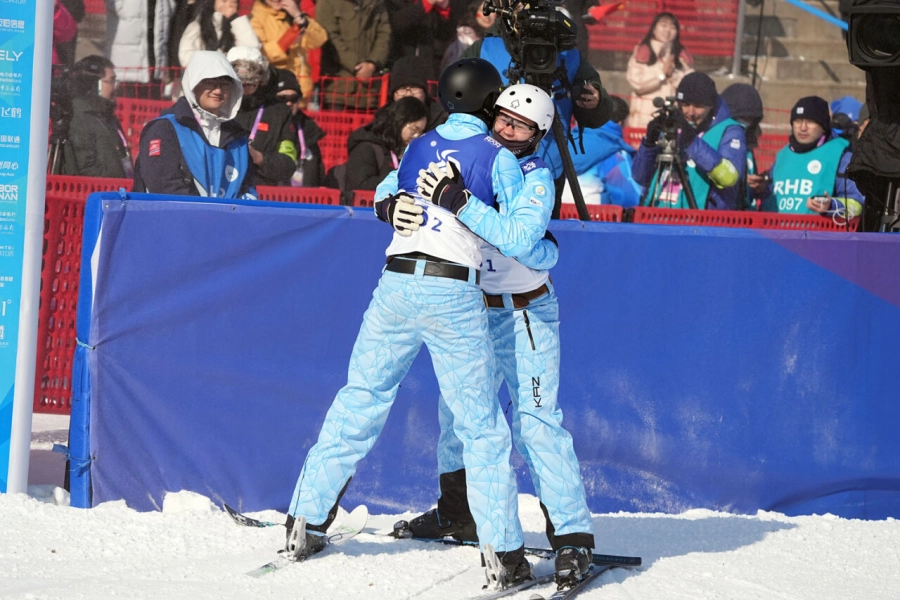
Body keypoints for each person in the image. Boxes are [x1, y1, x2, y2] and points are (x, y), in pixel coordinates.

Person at [285, 59, 543, 589]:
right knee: (481, 427)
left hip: (395, 282)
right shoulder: (499, 157)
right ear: (490, 101)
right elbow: (518, 239)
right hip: (451, 289)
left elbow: (384, 195)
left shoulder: (419, 144)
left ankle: (303, 520)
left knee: (361, 396)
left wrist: (391, 208)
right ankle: (504, 554)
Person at [391, 83, 597, 589]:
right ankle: (457, 511)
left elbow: (522, 241)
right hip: (473, 308)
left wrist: (459, 202)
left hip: (524, 312)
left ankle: (571, 538)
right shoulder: (473, 156)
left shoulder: (535, 174)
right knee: (457, 416)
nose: (506, 129)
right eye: (501, 117)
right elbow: (398, 181)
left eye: (520, 125)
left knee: (537, 422)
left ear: (538, 134)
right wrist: (387, 202)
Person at [462, 8, 613, 212]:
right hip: (487, 163)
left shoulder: (568, 55)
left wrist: (595, 101)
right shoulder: (484, 49)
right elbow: (457, 99)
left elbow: (598, 113)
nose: (524, 11)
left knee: (543, 235)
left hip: (547, 163)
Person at [132, 50, 257, 199]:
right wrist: (205, 217)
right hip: (174, 220)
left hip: (225, 221)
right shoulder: (165, 128)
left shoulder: (237, 137)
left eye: (224, 84)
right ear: (193, 83)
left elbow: (247, 189)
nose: (218, 90)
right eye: (210, 82)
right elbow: (163, 185)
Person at [633, 71, 745, 210]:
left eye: (698, 106)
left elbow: (730, 178)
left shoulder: (730, 130)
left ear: (711, 106)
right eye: (685, 104)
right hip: (659, 216)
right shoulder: (674, 124)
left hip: (700, 222)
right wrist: (649, 144)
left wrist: (692, 142)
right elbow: (640, 177)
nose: (690, 112)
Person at [749, 96, 865, 219]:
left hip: (817, 235)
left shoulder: (840, 154)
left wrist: (831, 206)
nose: (803, 128)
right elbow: (775, 196)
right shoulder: (783, 154)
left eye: (810, 122)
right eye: (798, 121)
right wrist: (761, 189)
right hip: (774, 234)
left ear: (823, 126)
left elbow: (857, 204)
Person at [228, 47, 298, 186]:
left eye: (250, 84)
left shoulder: (278, 112)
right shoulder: (215, 107)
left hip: (260, 191)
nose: (243, 89)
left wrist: (260, 158)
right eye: (239, 83)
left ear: (262, 80)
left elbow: (288, 163)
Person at [58, 56, 134, 179]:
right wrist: (114, 182)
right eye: (111, 81)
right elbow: (86, 169)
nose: (115, 86)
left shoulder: (106, 116)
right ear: (95, 85)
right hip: (101, 193)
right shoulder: (79, 119)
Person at [561, 95, 641, 207]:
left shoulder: (564, 143)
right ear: (620, 123)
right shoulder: (615, 154)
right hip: (594, 219)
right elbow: (629, 198)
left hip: (556, 217)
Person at [250, 0, 328, 108]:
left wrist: (298, 16)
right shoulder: (256, 18)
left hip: (301, 90)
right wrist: (289, 38)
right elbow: (261, 54)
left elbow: (319, 39)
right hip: (276, 92)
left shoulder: (294, 14)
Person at [316, 0, 391, 111]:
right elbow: (330, 40)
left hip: (369, 92)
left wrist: (372, 64)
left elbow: (384, 36)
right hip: (337, 91)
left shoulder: (377, 3)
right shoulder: (327, 2)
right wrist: (357, 66)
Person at [340, 96, 428, 191]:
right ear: (400, 121)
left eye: (421, 132)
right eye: (414, 129)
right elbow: (360, 186)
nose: (416, 136)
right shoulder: (367, 147)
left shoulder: (406, 151)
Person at [625, 12, 694, 129]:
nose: (667, 31)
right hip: (643, 121)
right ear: (654, 29)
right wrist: (661, 75)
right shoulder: (642, 51)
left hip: (672, 121)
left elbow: (691, 85)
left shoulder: (681, 56)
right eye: (663, 25)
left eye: (672, 27)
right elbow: (636, 83)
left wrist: (673, 75)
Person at [275, 69, 327, 188]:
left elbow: (317, 175)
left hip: (302, 200)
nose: (288, 103)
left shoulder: (308, 129)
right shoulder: (264, 129)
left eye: (293, 98)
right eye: (282, 99)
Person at [720, 83, 764, 211]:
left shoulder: (748, 145)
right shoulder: (719, 140)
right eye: (741, 118)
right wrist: (741, 183)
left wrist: (759, 187)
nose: (745, 123)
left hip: (746, 214)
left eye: (750, 119)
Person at [178, 0, 260, 67]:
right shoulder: (198, 24)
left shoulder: (237, 25)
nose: (229, 6)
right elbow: (185, 57)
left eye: (233, 2)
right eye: (224, 1)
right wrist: (216, 61)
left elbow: (251, 50)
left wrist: (235, 19)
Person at [388, 55, 447, 132]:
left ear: (425, 92)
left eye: (414, 88)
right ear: (393, 95)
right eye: (402, 89)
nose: (408, 94)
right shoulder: (383, 121)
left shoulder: (442, 122)